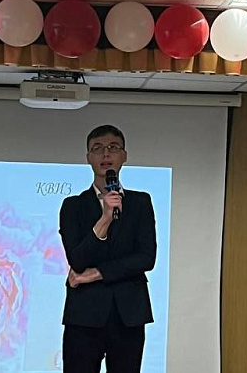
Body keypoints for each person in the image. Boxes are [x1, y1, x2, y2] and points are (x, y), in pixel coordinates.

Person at [59, 125, 157, 373]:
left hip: (129, 314)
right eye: (98, 148)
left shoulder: (140, 203)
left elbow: (146, 258)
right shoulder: (73, 206)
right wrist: (104, 219)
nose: (106, 154)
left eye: (113, 147)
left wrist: (97, 273)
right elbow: (77, 260)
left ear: (124, 156)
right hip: (84, 315)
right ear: (88, 158)